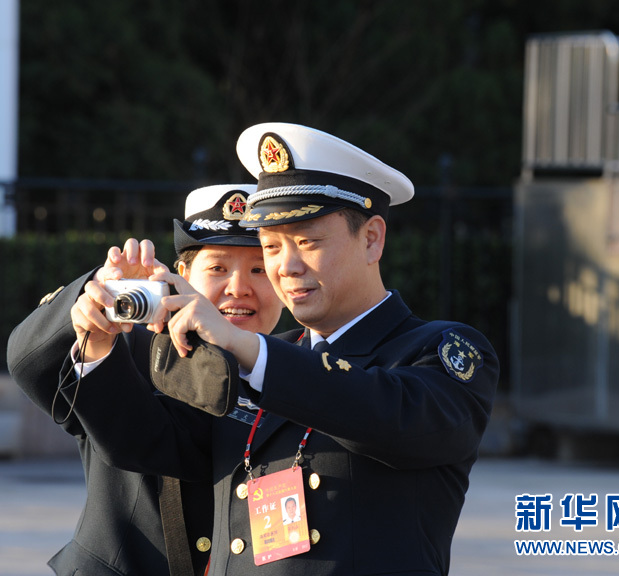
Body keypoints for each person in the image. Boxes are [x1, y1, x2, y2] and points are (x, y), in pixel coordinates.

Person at [143, 123, 500, 575]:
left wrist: (248, 348)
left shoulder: (441, 350)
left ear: (371, 238)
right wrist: (96, 336)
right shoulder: (264, 359)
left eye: (307, 242)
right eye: (271, 247)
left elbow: (387, 413)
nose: (286, 267)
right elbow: (144, 439)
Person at [6, 183, 283, 576]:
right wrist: (96, 297)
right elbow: (27, 361)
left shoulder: (300, 374)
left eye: (259, 270)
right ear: (183, 275)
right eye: (218, 269)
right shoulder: (128, 351)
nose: (238, 288)